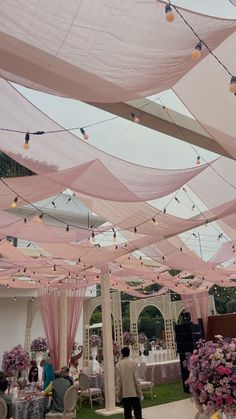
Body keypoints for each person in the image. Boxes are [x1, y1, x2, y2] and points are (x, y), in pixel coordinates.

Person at [116, 347, 143, 419]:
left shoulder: (119, 365)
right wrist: (140, 393)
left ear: (122, 354)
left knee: (127, 413)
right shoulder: (134, 363)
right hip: (134, 393)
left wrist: (118, 396)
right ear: (129, 353)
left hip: (125, 393)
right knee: (138, 412)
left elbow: (119, 382)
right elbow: (137, 380)